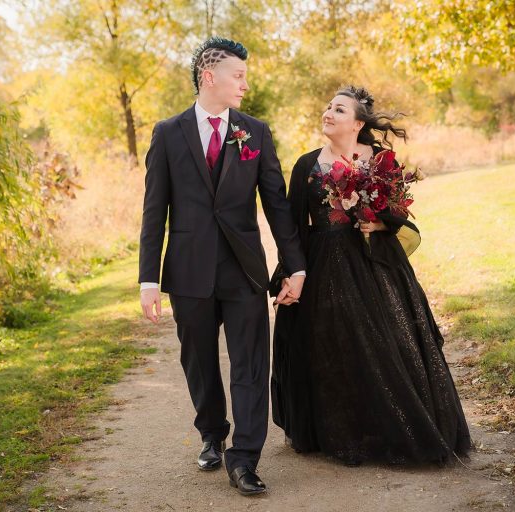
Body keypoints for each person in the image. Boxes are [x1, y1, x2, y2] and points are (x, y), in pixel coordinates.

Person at [138, 36, 306, 495]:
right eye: (239, 75)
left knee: (251, 362)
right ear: (208, 77)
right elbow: (155, 211)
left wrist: (296, 267)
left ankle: (245, 457)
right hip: (188, 271)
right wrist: (148, 279)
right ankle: (212, 434)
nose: (245, 84)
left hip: (244, 269)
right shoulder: (168, 133)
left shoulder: (255, 131)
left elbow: (277, 206)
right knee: (199, 362)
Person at [271, 85, 471, 466]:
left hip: (372, 264)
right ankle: (345, 431)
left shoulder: (381, 160)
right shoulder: (306, 165)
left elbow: (397, 213)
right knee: (333, 346)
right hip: (324, 264)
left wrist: (377, 222)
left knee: (385, 343)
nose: (328, 113)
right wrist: (289, 274)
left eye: (339, 109)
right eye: (327, 106)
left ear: (358, 122)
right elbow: (292, 227)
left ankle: (394, 428)